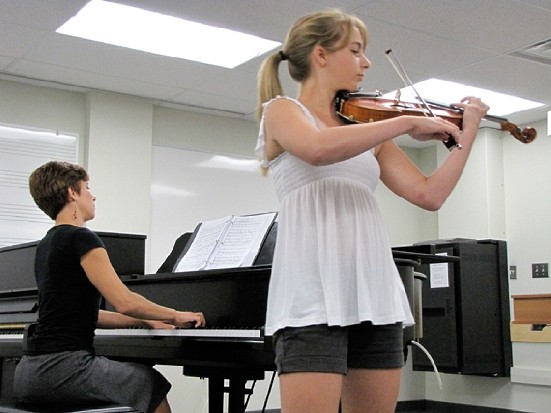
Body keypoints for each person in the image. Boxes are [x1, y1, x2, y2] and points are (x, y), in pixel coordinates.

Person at [255, 9, 489, 413]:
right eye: (356, 50)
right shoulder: (282, 111)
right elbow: (318, 149)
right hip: (311, 297)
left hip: (373, 294)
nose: (366, 62)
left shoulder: (366, 127)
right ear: (322, 55)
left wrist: (467, 135)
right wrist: (402, 121)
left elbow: (429, 195)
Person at [14, 161, 206, 413]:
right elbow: (125, 300)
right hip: (64, 368)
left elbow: (87, 315)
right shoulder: (82, 238)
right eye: (87, 187)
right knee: (149, 382)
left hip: (29, 372)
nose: (93, 195)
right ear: (72, 193)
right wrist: (176, 314)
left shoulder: (46, 244)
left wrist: (144, 321)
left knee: (131, 378)